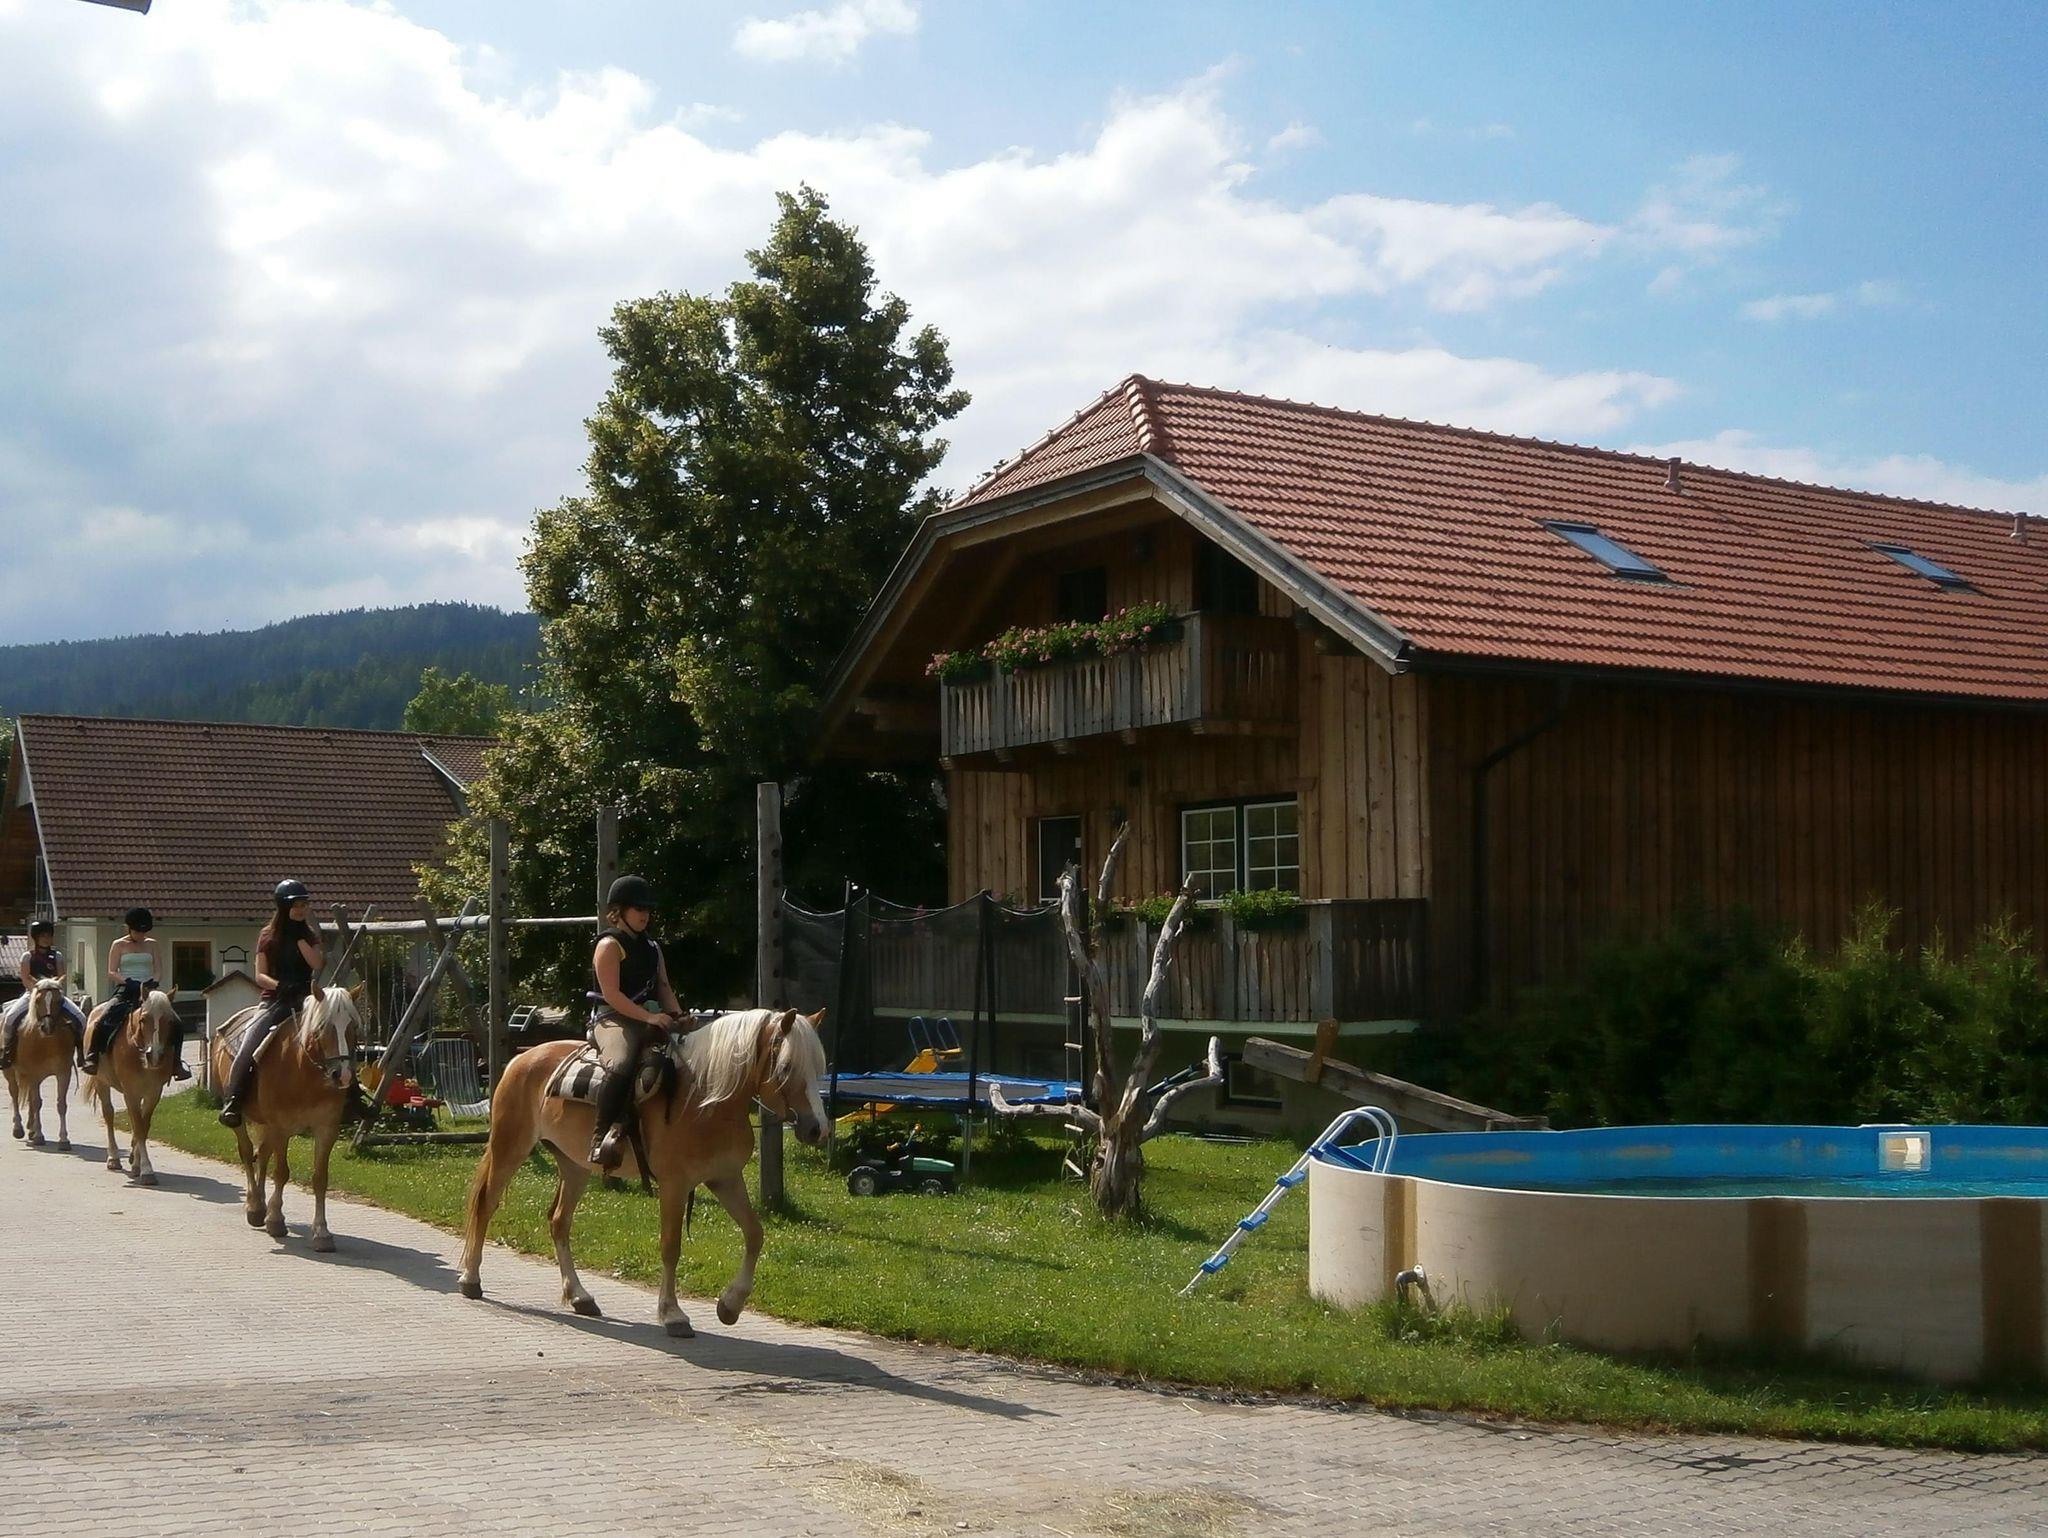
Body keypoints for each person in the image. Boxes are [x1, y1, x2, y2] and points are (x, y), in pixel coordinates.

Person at [587, 874, 686, 1170]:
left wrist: (679, 1016)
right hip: (611, 1018)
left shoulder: (653, 947)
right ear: (619, 911)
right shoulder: (609, 945)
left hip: (648, 1017)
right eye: (639, 908)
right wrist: (650, 1017)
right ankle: (600, 1137)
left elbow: (664, 987)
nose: (645, 915)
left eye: (648, 909)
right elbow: (612, 995)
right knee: (621, 1062)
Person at [218, 880, 325, 1129]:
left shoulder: (309, 935)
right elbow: (260, 976)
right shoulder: (267, 936)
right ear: (284, 906)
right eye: (297, 905)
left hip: (306, 999)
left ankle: (352, 1096)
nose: (302, 910)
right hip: (276, 999)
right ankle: (233, 1100)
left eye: (305, 905)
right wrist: (279, 986)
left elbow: (317, 964)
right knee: (250, 1043)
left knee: (336, 1033)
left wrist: (299, 938)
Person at [84, 907, 185, 1078]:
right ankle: (93, 1056)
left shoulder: (152, 944)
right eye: (137, 931)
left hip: (149, 991)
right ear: (129, 929)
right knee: (104, 1017)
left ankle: (176, 1063)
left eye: (143, 932)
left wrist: (154, 981)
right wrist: (127, 981)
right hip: (126, 988)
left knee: (176, 1022)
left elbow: (158, 969)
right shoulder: (118, 945)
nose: (140, 935)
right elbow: (111, 971)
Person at [0, 920, 88, 1069]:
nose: (46, 939)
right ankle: (7, 1052)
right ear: (36, 938)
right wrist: (37, 989)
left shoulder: (57, 956)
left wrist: (54, 984)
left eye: (49, 936)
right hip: (33, 994)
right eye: (43, 936)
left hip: (54, 994)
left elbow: (62, 975)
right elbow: (25, 977)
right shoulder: (27, 956)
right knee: (10, 1017)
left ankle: (81, 1052)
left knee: (81, 1017)